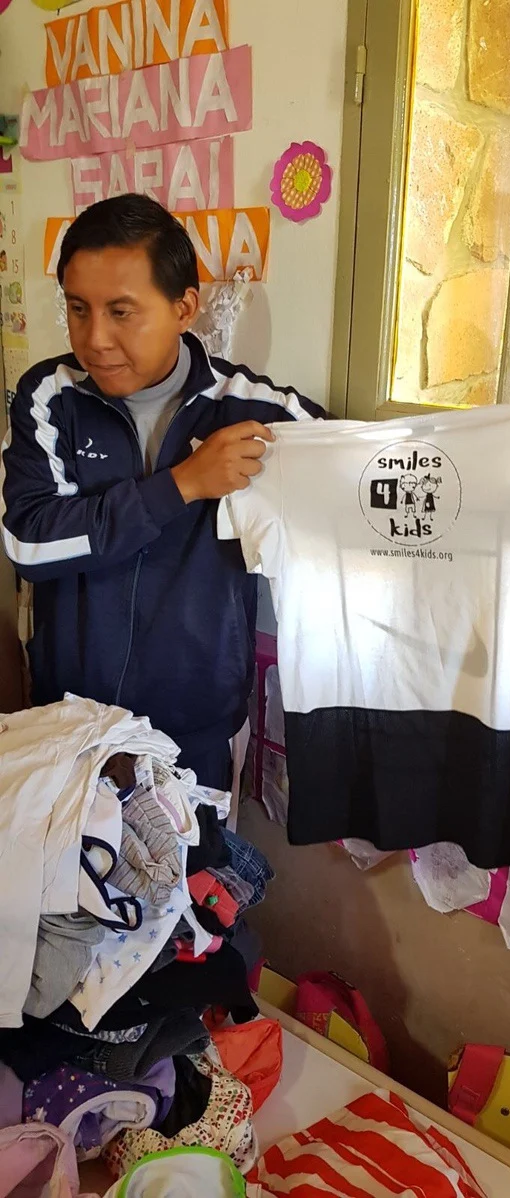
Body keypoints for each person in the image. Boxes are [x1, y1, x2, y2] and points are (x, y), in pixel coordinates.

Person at [0, 194, 326, 786]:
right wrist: (184, 485)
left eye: (121, 312)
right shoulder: (50, 396)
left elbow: (368, 470)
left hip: (196, 724)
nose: (95, 338)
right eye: (78, 309)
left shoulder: (250, 409)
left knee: (199, 849)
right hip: (73, 719)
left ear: (184, 308)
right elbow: (31, 542)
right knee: (75, 849)